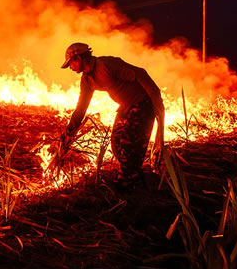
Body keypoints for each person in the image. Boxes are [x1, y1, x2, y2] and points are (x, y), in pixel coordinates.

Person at [52, 42, 165, 184]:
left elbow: (140, 74)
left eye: (70, 64)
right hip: (125, 107)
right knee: (116, 143)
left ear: (79, 59)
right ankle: (135, 176)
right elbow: (81, 109)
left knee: (128, 143)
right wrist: (68, 135)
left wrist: (157, 104)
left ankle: (125, 181)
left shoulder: (107, 65)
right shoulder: (87, 80)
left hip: (142, 105)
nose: (70, 68)